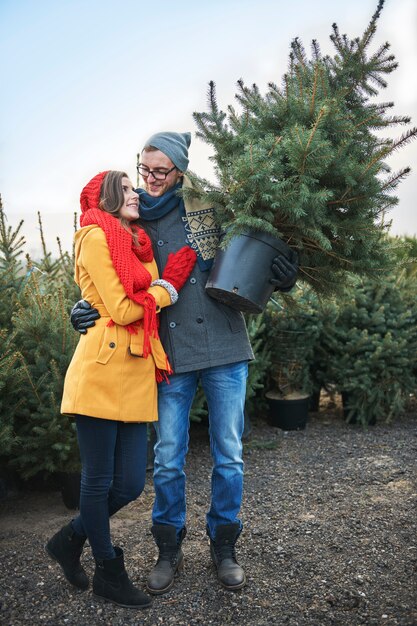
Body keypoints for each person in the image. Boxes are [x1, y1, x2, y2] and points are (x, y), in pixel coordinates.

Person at [71, 133, 298, 595]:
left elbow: (262, 235)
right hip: (168, 354)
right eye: (144, 170)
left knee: (229, 454)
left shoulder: (211, 207)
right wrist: (80, 307)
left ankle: (224, 545)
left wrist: (285, 270)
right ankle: (168, 546)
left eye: (161, 171)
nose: (150, 180)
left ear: (180, 170)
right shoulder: (128, 223)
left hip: (225, 345)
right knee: (169, 458)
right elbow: (105, 276)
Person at [46, 170, 196, 609]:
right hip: (102, 366)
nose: (135, 194)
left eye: (135, 187)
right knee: (96, 482)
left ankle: (68, 539)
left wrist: (163, 282)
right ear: (109, 196)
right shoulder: (95, 236)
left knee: (130, 484)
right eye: (128, 188)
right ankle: (109, 570)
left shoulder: (137, 241)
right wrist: (168, 288)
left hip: (135, 370)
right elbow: (121, 307)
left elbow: (138, 299)